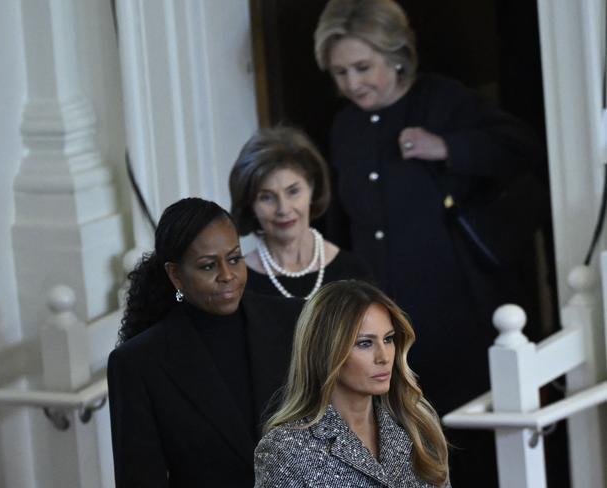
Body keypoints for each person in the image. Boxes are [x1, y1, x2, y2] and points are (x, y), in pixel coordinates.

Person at [313, 1, 545, 485]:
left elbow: (523, 149)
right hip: (381, 329)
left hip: (459, 311)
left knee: (471, 443)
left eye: (362, 67)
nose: (352, 84)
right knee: (405, 449)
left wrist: (448, 147)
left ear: (396, 55)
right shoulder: (344, 128)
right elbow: (340, 223)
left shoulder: (442, 100)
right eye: (340, 72)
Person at [107, 197, 303, 487]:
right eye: (208, 266)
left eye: (234, 259)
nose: (227, 276)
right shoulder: (138, 363)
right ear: (175, 275)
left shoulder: (294, 320)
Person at [254, 280, 450, 487]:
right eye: (365, 343)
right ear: (325, 351)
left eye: (388, 339)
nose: (383, 357)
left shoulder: (417, 425)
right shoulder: (284, 450)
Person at [229, 126, 371, 301]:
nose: (283, 209)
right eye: (266, 197)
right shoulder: (236, 282)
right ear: (250, 204)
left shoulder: (353, 272)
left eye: (293, 191)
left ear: (312, 188)